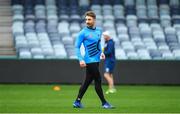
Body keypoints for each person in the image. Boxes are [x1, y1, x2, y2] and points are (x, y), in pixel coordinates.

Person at [73, 11, 114, 109]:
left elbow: (98, 44)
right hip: (89, 60)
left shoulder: (98, 31)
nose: (87, 21)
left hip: (96, 60)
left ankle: (77, 101)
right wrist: (80, 59)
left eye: (89, 19)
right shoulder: (82, 33)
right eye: (86, 19)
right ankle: (104, 103)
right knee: (98, 80)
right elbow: (76, 47)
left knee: (87, 82)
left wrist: (102, 53)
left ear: (94, 20)